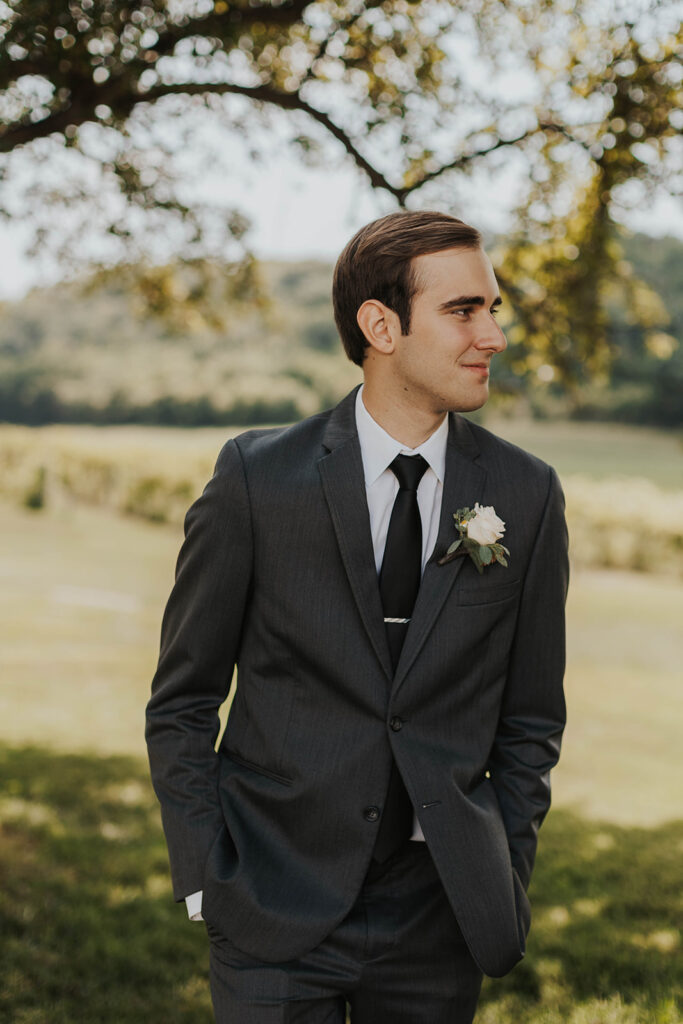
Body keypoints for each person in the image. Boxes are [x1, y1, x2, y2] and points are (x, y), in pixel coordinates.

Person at [145, 209, 568, 1023]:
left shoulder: (527, 494)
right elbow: (183, 700)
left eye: (493, 308)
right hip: (270, 897)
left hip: (437, 912)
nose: (493, 336)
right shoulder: (255, 480)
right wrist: (205, 877)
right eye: (462, 310)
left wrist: (499, 864)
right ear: (380, 325)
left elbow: (531, 716)